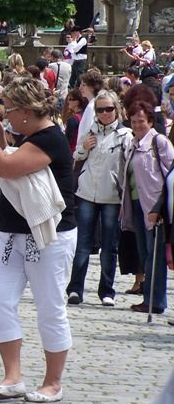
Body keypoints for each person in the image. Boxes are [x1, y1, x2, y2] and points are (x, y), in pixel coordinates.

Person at [0, 77, 77, 403]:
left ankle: (53, 382)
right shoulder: (29, 136)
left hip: (49, 235)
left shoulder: (50, 138)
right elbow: (9, 157)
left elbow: (6, 166)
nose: (5, 115)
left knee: (50, 306)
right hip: (12, 232)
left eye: (9, 110)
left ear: (25, 112)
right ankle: (13, 377)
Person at [66, 90, 132, 306]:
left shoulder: (125, 135)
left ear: (117, 110)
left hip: (112, 196)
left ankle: (107, 291)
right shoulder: (90, 130)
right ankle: (75, 289)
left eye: (108, 109)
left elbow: (129, 165)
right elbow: (77, 156)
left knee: (109, 247)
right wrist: (84, 147)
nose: (104, 113)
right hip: (87, 193)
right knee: (83, 244)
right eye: (100, 109)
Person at [121, 100, 173, 315]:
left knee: (155, 256)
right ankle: (148, 298)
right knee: (145, 254)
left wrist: (160, 207)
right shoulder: (133, 143)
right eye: (133, 121)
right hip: (136, 204)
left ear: (150, 121)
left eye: (141, 121)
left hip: (155, 207)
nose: (137, 125)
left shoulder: (159, 142)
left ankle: (155, 301)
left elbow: (171, 175)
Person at [62, 89, 88, 154]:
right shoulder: (85, 116)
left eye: (70, 99)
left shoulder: (73, 119)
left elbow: (67, 141)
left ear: (77, 102)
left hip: (71, 152)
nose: (68, 101)